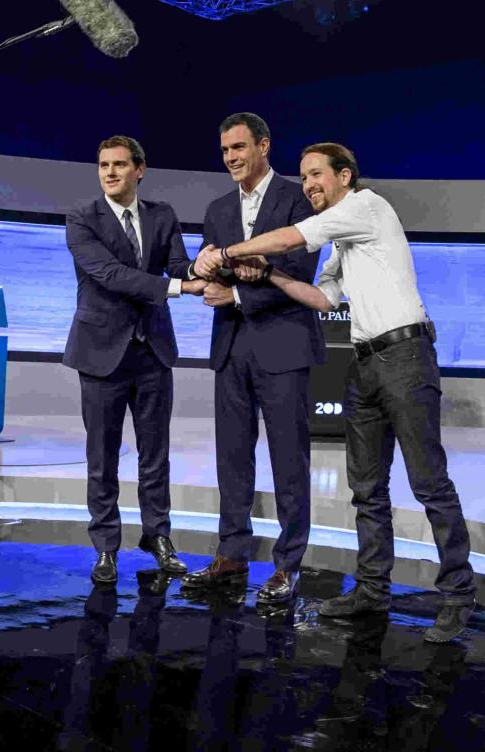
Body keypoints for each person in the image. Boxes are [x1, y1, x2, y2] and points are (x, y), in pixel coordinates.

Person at [197, 141, 477, 643]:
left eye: (316, 176)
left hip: (406, 359)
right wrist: (271, 277)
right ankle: (372, 590)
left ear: (345, 176)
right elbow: (323, 298)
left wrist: (228, 253)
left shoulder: (366, 208)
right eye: (303, 178)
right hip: (365, 364)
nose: (308, 186)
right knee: (367, 490)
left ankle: (457, 594)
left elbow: (290, 239)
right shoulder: (346, 241)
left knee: (430, 484)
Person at [180, 113, 323, 606]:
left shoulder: (297, 199)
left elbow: (297, 268)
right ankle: (232, 553)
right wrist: (197, 262)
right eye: (224, 151)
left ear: (263, 146)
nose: (231, 158)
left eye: (239, 147)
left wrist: (238, 296)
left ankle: (288, 566)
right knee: (232, 460)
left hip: (283, 345)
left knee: (289, 460)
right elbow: (204, 263)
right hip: (231, 350)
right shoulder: (219, 207)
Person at [62, 136, 201, 584]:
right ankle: (106, 547)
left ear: (139, 169)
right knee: (102, 457)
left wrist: (209, 267)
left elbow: (179, 264)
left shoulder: (162, 215)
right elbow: (109, 275)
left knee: (154, 455)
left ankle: (158, 536)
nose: (110, 172)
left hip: (153, 351)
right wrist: (178, 289)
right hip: (101, 353)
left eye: (119, 164)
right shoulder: (82, 217)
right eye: (103, 165)